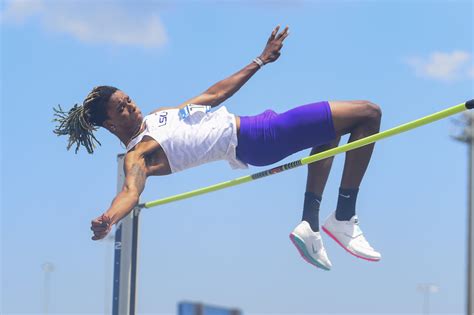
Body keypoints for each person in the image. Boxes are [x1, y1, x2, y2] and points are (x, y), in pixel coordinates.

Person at [54, 25, 382, 270]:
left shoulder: (157, 118)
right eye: (122, 109)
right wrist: (109, 217)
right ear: (111, 125)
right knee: (368, 113)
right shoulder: (139, 153)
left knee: (329, 135)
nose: (132, 106)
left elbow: (213, 95)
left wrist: (260, 59)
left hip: (257, 124)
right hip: (260, 138)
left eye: (129, 99)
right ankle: (344, 216)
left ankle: (311, 224)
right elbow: (130, 191)